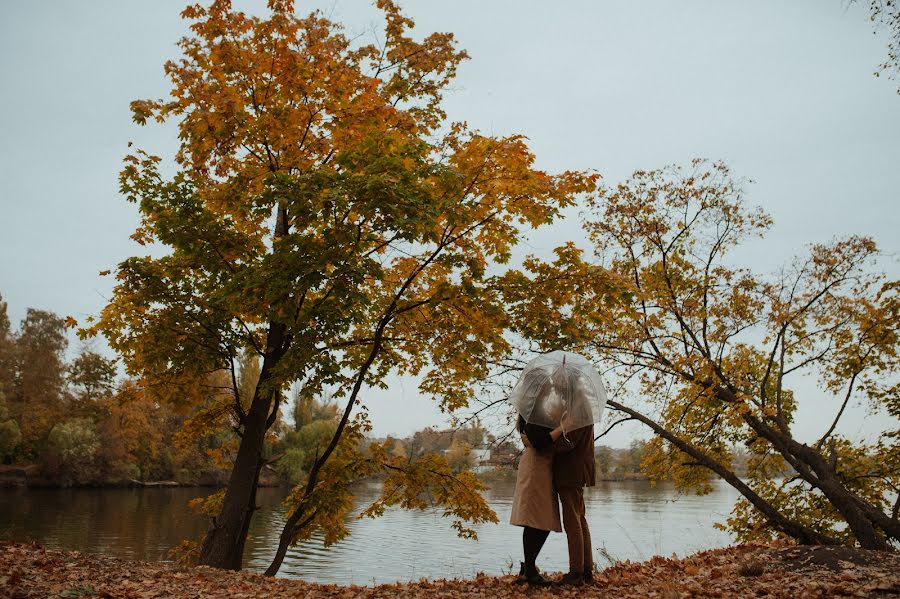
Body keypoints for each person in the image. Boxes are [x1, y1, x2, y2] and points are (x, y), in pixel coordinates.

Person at [509, 414, 559, 586]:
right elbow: (540, 442)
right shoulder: (532, 416)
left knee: (541, 519)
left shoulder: (538, 415)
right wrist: (562, 428)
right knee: (536, 519)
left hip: (541, 466)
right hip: (536, 467)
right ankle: (529, 569)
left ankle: (528, 568)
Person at [553, 419, 595, 586]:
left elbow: (568, 443)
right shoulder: (583, 411)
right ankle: (586, 570)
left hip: (570, 472)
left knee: (572, 521)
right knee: (579, 519)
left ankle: (576, 573)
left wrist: (549, 441)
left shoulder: (577, 414)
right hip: (575, 471)